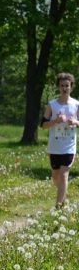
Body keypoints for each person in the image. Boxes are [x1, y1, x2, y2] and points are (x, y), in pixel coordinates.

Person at [40, 72, 79, 208]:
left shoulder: (76, 104)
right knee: (56, 177)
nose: (64, 88)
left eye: (67, 86)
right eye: (62, 85)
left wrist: (75, 122)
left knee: (63, 175)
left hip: (69, 146)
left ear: (71, 87)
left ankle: (59, 207)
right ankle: (63, 195)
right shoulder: (52, 105)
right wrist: (55, 121)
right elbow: (43, 125)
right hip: (54, 147)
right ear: (58, 87)